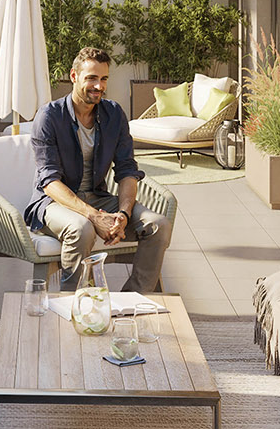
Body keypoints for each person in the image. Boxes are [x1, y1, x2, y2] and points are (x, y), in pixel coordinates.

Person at [24, 46, 173, 293]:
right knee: (81, 228)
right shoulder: (49, 117)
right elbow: (49, 182)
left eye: (104, 79)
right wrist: (94, 217)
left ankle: (132, 298)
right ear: (73, 76)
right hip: (54, 203)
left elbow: (127, 170)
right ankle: (74, 300)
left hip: (98, 196)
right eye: (91, 78)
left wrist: (123, 215)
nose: (99, 86)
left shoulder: (113, 113)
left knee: (158, 225)